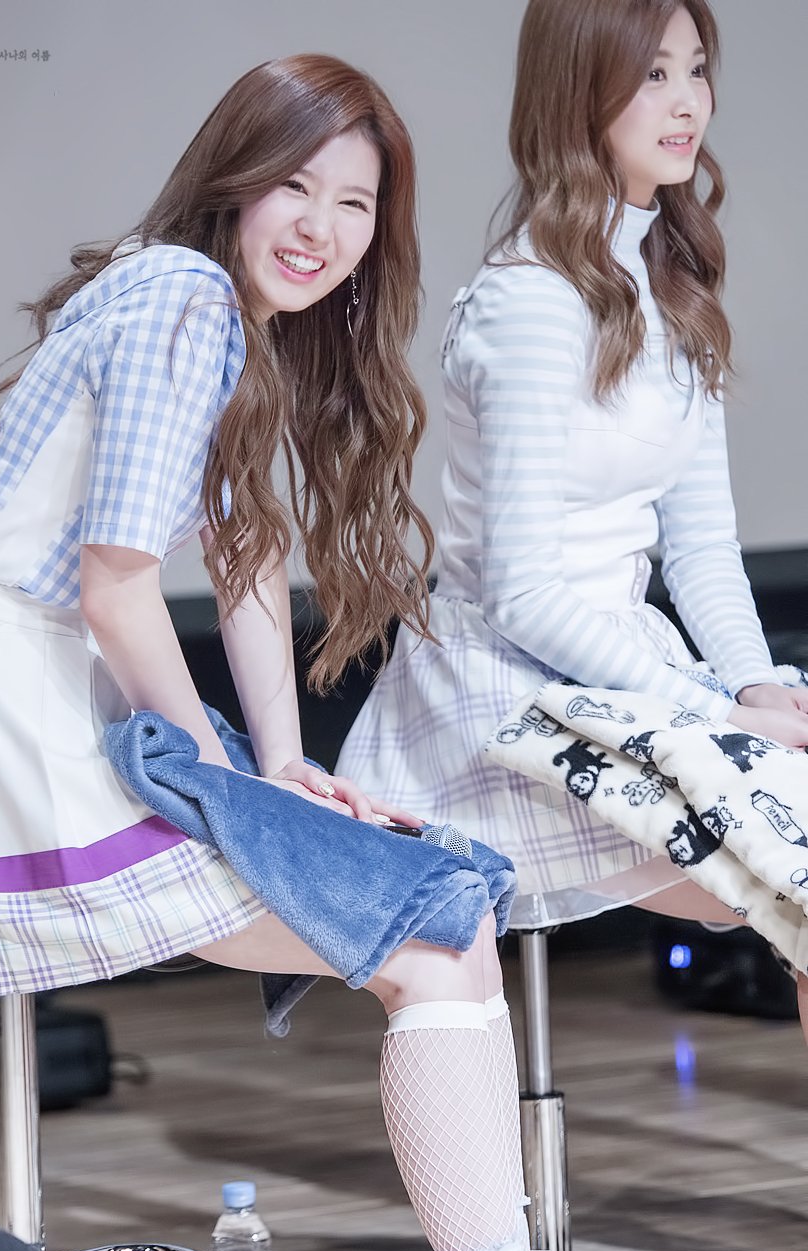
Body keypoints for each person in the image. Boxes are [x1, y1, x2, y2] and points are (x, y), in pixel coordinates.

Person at [0, 53, 715, 1251]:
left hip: (35, 699)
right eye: (294, 186)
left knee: (437, 911)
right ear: (232, 180)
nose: (321, 226)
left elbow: (242, 552)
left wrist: (286, 766)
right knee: (434, 932)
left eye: (356, 204)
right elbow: (120, 581)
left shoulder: (205, 311)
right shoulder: (183, 301)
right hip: (10, 724)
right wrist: (223, 780)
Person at [337, 0, 808, 1024]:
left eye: (695, 70)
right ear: (577, 93)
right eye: (652, 75)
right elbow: (522, 595)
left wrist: (757, 686)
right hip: (503, 691)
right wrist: (718, 716)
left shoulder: (671, 287)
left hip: (620, 668)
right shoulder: (532, 301)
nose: (687, 103)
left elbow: (701, 545)